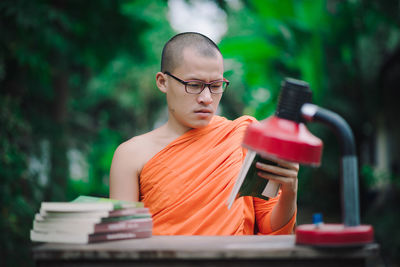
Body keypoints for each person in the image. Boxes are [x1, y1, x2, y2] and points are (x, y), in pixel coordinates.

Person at [110, 32, 299, 235]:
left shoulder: (244, 137)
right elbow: (123, 241)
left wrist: (290, 191)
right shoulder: (131, 155)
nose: (207, 98)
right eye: (194, 85)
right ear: (163, 82)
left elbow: (272, 229)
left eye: (216, 86)